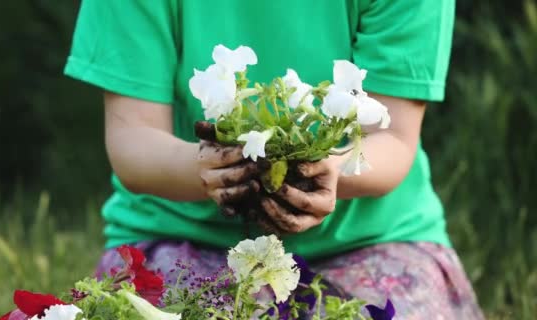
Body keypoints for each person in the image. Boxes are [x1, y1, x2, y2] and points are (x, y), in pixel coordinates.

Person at [64, 1, 484, 318]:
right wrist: (208, 169)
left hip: (369, 240)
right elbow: (132, 137)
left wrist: (331, 170)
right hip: (186, 236)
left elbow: (392, 136)